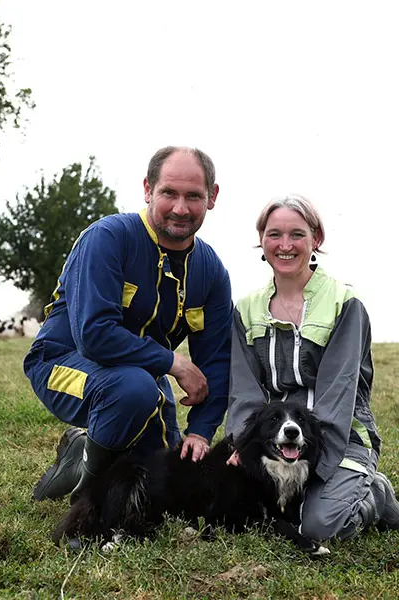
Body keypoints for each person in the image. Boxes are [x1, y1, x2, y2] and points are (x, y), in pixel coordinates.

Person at [24, 146, 233, 503]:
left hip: (143, 382)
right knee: (132, 389)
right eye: (169, 192)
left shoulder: (211, 270)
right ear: (148, 189)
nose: (181, 208)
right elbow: (94, 336)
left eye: (194, 196)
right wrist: (174, 362)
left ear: (212, 197)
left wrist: (200, 430)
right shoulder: (108, 237)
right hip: (60, 364)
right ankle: (89, 500)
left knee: (167, 484)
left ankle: (82, 451)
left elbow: (217, 359)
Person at [225, 195, 399, 539]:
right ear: (261, 239)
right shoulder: (246, 308)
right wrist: (242, 447)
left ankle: (375, 495)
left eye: (297, 235)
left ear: (316, 239)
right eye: (274, 234)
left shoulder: (344, 303)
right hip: (279, 441)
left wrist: (312, 468)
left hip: (338, 438)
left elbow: (338, 394)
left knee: (319, 526)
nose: (285, 245)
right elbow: (243, 390)